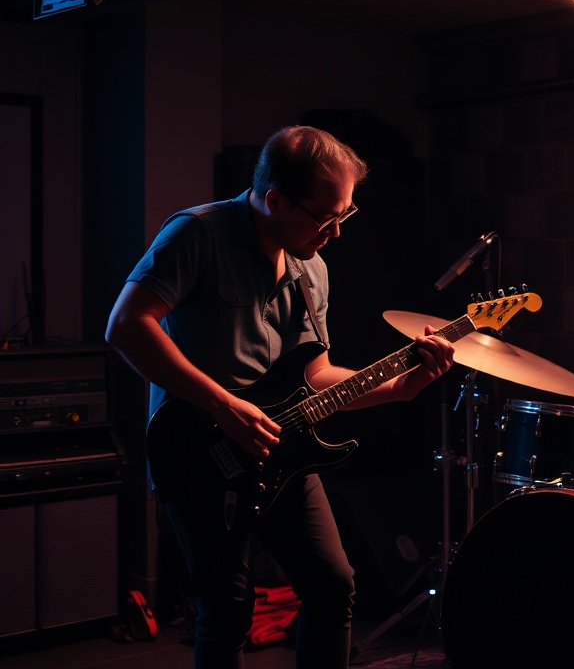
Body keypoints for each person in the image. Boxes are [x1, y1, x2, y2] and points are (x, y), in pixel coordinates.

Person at [105, 125, 455, 668]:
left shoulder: (311, 267)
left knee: (334, 587)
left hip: (281, 453)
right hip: (198, 454)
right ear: (274, 200)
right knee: (225, 615)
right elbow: (126, 325)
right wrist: (223, 404)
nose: (336, 233)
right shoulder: (197, 235)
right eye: (325, 216)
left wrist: (400, 389)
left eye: (346, 215)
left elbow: (315, 378)